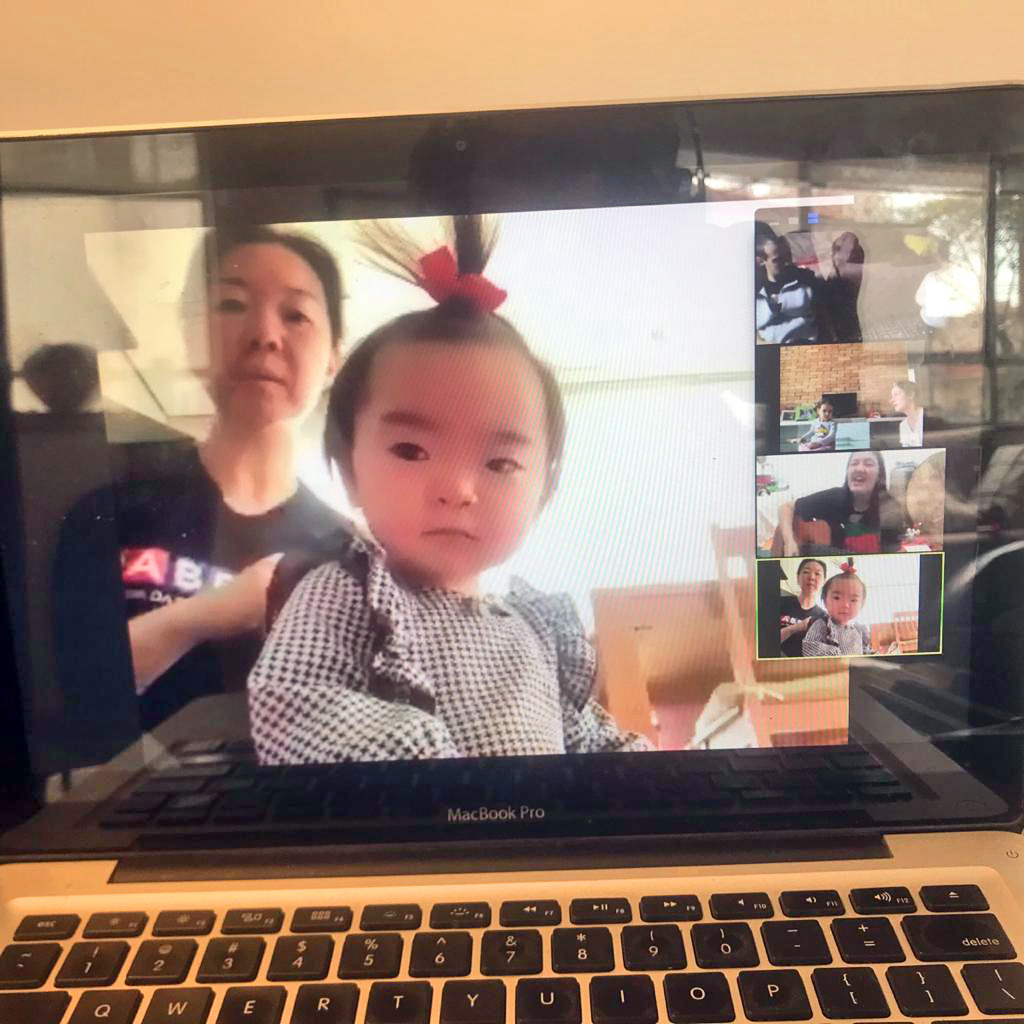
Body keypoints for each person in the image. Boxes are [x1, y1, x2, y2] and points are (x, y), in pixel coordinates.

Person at [248, 215, 653, 763]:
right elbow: (295, 704)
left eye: (501, 463)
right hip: (417, 819)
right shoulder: (345, 594)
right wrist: (439, 773)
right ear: (348, 469)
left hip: (539, 821)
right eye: (411, 451)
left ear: (544, 490)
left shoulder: (532, 631)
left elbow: (584, 738)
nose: (459, 489)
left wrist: (657, 776)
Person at [55, 224, 347, 732]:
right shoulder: (111, 513)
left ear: (334, 360)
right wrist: (211, 613)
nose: (265, 335)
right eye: (233, 305)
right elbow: (77, 698)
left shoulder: (345, 551)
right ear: (193, 337)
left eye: (295, 314)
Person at [776, 451, 907, 556]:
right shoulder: (834, 497)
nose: (859, 468)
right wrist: (789, 542)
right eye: (854, 463)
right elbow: (785, 507)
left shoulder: (891, 511)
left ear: (879, 475)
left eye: (868, 464)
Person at [755, 235, 818, 344]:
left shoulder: (806, 280)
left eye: (787, 256)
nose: (787, 263)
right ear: (760, 261)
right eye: (778, 260)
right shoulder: (754, 289)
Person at [802, 564, 871, 657]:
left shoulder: (858, 630)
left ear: (861, 604)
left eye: (853, 600)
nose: (845, 605)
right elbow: (810, 646)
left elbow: (864, 651)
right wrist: (837, 655)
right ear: (825, 601)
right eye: (837, 598)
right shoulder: (822, 624)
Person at [779, 558, 827, 657]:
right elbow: (765, 641)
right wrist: (794, 628)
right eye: (806, 572)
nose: (811, 577)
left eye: (817, 574)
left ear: (824, 582)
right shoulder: (780, 603)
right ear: (797, 577)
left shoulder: (824, 618)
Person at [891, 378, 925, 448]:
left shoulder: (929, 418)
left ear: (911, 395)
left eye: (896, 395)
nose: (892, 400)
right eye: (892, 396)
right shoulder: (903, 426)